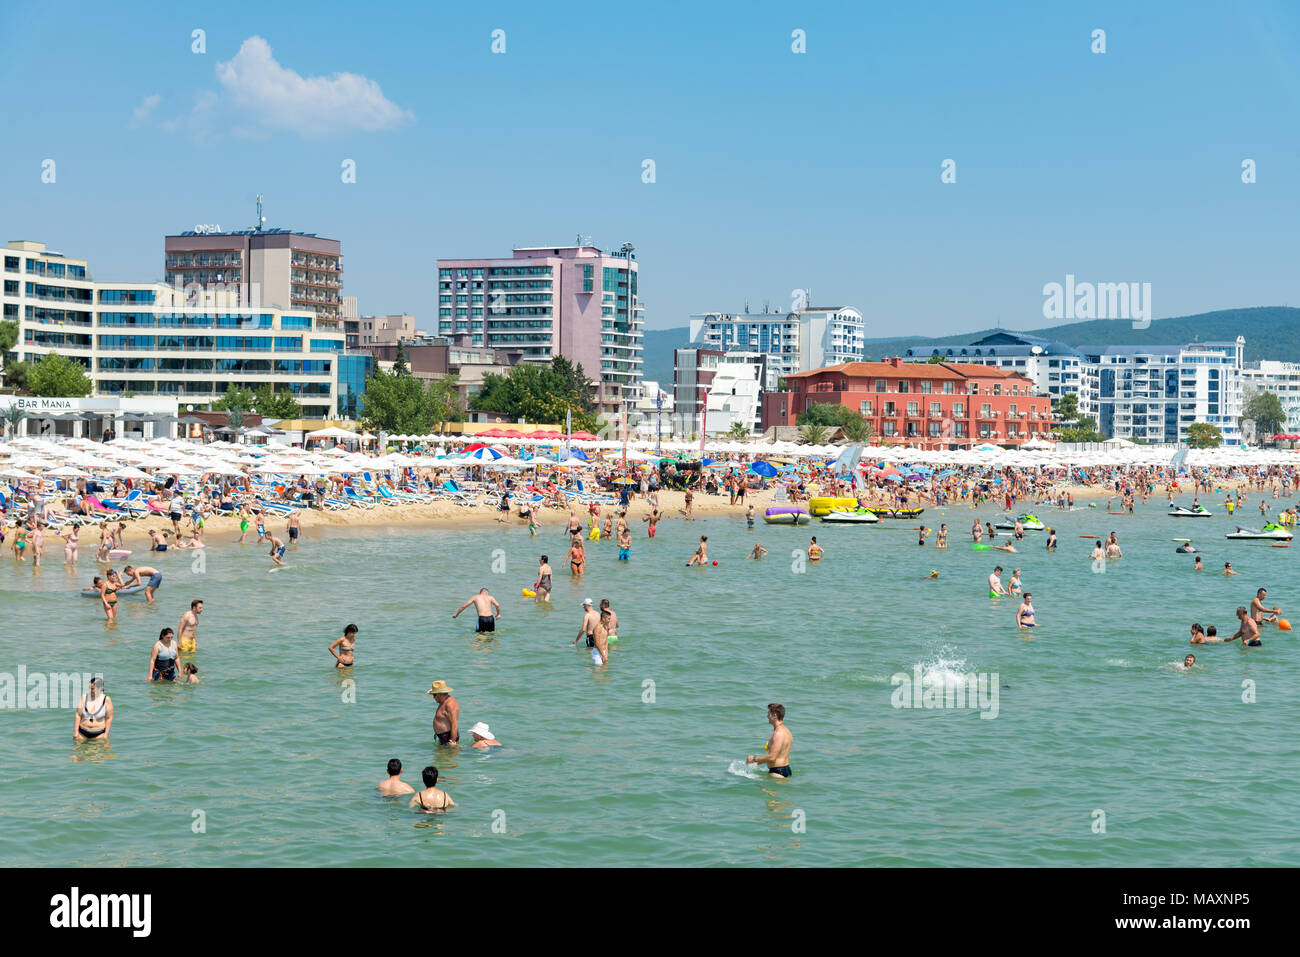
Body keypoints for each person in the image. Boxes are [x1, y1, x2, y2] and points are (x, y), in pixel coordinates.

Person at [746, 703, 793, 778]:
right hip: (786, 769)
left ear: (774, 715)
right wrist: (759, 762)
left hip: (777, 772)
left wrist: (754, 759)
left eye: (768, 714)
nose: (767, 716)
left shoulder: (778, 733)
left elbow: (772, 757)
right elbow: (778, 754)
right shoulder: (787, 731)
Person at [73, 676, 113, 742]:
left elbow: (109, 718)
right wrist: (76, 732)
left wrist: (106, 734)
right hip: (82, 733)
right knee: (77, 751)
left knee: (101, 751)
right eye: (90, 688)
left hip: (99, 734)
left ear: (100, 688)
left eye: (92, 689)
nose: (90, 691)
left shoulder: (106, 700)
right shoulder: (84, 697)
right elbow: (78, 715)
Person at [427, 680, 460, 745]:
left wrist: (452, 741)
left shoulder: (450, 704)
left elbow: (454, 723)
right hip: (443, 736)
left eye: (434, 695)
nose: (433, 697)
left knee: (450, 754)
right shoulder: (443, 702)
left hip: (448, 737)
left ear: (440, 694)